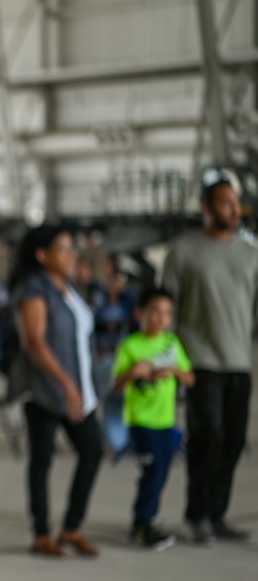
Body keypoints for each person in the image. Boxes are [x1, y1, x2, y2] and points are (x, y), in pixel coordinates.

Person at [161, 173, 258, 544]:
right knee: (208, 437)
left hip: (239, 362)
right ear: (206, 208)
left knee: (233, 440)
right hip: (199, 362)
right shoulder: (183, 251)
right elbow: (165, 312)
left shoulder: (251, 254)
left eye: (237, 202)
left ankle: (217, 515)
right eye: (225, 202)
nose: (235, 209)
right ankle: (196, 514)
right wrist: (169, 364)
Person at [8, 224, 103, 558]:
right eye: (63, 249)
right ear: (42, 255)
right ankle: (41, 533)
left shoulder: (69, 289)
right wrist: (67, 385)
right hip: (46, 391)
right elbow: (34, 343)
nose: (71, 255)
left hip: (80, 390)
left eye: (71, 249)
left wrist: (84, 385)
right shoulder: (35, 290)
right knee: (42, 460)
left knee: (92, 450)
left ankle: (71, 527)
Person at [111, 287, 193, 551]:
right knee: (153, 470)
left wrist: (175, 371)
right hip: (140, 421)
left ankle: (144, 520)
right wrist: (135, 372)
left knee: (163, 471)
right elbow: (116, 385)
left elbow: (190, 377)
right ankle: (143, 523)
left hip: (165, 421)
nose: (161, 318)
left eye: (167, 313)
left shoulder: (172, 344)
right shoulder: (131, 345)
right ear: (140, 314)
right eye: (155, 312)